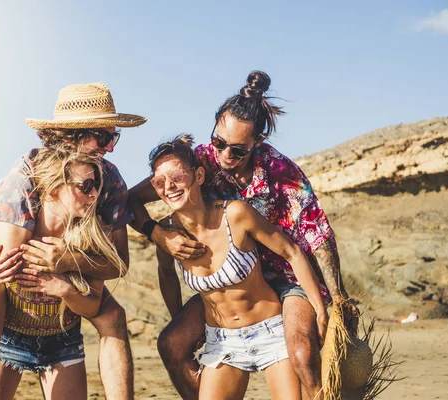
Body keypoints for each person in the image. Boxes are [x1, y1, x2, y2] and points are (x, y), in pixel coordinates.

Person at [129, 71, 358, 400]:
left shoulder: (281, 173)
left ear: (258, 142)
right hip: (234, 276)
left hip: (286, 275)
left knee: (303, 356)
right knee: (171, 344)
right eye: (219, 141)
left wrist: (336, 302)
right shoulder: (198, 161)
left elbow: (317, 237)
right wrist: (159, 235)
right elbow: (132, 200)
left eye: (236, 150)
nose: (223, 154)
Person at [0, 83, 146, 400]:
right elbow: (13, 261)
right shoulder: (24, 178)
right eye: (105, 138)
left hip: (62, 302)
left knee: (113, 316)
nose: (111, 147)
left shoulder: (109, 180)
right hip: (9, 293)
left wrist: (71, 261)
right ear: (75, 134)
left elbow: (118, 263)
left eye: (115, 137)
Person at [148, 135, 327, 399]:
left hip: (271, 334)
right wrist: (182, 321)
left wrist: (320, 309)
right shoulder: (167, 235)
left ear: (198, 176)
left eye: (177, 176)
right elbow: (166, 275)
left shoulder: (235, 214)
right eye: (159, 181)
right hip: (222, 342)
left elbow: (292, 252)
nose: (169, 186)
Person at [0, 149, 125, 400]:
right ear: (55, 186)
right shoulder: (5, 230)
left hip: (63, 344)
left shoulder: (89, 238)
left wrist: (65, 289)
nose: (94, 194)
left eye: (97, 185)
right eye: (86, 185)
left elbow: (92, 307)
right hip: (9, 343)